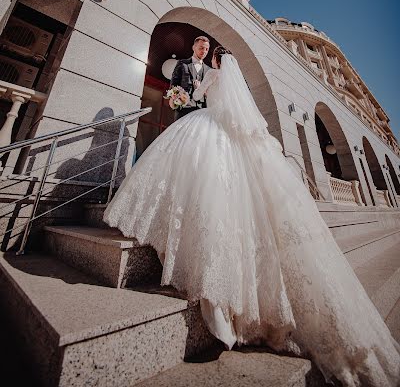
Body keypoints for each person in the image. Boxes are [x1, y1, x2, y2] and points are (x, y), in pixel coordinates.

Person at [104, 46, 400, 386]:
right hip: (229, 133)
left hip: (208, 125)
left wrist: (179, 96)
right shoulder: (236, 86)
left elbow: (194, 99)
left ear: (216, 61)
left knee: (198, 180)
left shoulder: (213, 76)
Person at [169, 36, 211, 120]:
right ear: (194, 47)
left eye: (206, 49)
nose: (204, 51)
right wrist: (177, 100)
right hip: (183, 111)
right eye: (201, 48)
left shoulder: (209, 70)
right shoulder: (182, 64)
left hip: (201, 112)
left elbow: (211, 93)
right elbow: (173, 86)